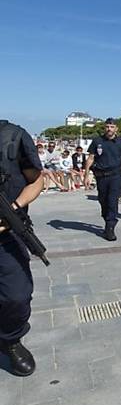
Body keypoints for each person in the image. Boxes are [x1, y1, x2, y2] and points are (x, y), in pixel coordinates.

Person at [0, 120, 44, 376]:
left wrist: (13, 210)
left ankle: (10, 339)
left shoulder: (13, 137)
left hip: (7, 234)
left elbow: (36, 181)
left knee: (17, 295)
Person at [84, 118, 121, 241]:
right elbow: (90, 158)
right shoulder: (97, 141)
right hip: (101, 177)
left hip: (115, 176)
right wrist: (86, 175)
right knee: (102, 200)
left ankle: (110, 227)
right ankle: (107, 220)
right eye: (107, 126)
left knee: (112, 201)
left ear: (116, 128)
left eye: (111, 126)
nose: (109, 129)